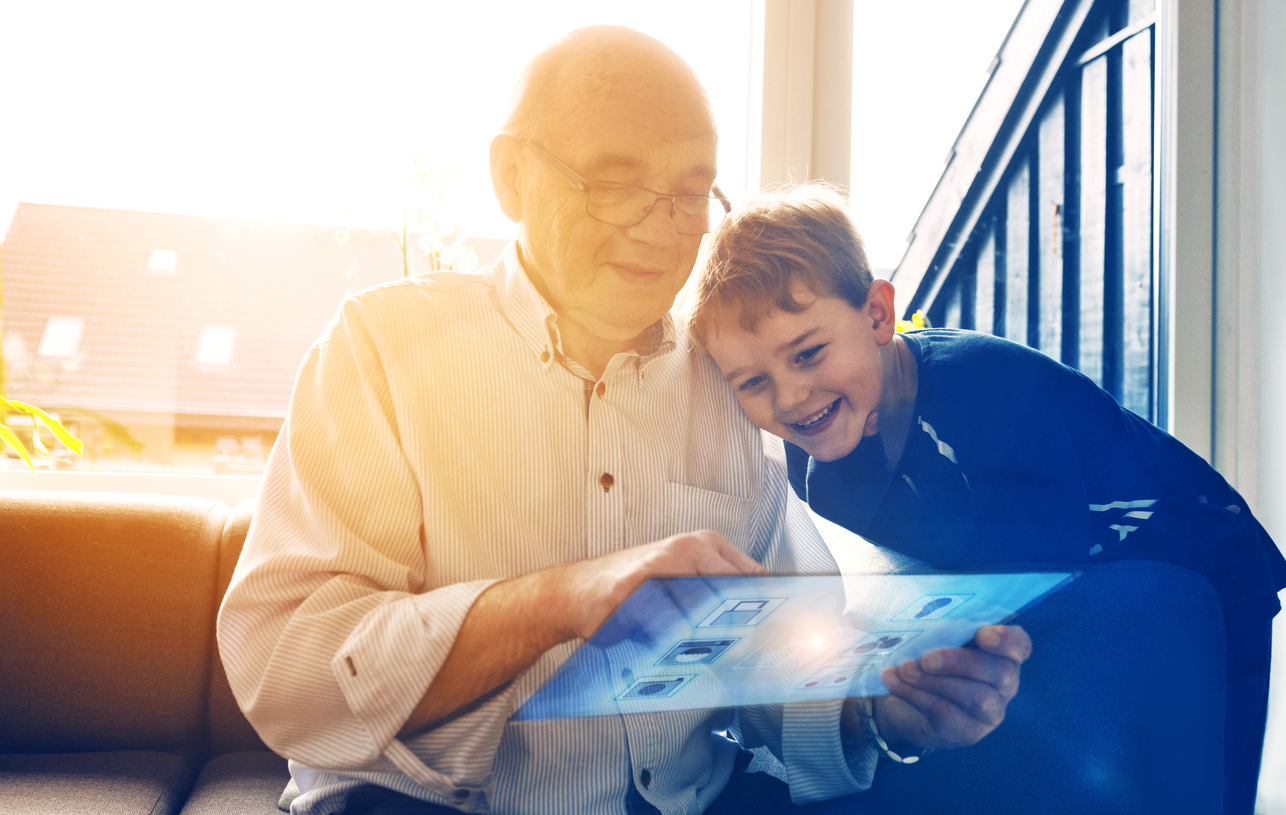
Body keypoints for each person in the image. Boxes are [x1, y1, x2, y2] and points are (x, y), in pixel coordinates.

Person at [218, 29, 1032, 815]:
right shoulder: (378, 349)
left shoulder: (733, 390)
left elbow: (780, 676)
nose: (663, 225)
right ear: (510, 178)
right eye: (614, 183)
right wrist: (560, 600)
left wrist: (885, 716)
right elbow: (286, 671)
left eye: (690, 192)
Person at [688, 183, 1286, 815]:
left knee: (1204, 782)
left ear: (876, 316)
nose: (789, 398)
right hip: (1083, 570)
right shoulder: (820, 452)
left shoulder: (990, 397)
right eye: (753, 382)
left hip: (1211, 562)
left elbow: (1028, 577)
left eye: (808, 354)